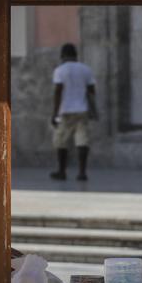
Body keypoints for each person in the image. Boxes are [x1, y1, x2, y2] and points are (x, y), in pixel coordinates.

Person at [50, 43, 97, 182]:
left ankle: (61, 171)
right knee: (82, 140)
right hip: (82, 110)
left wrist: (55, 113)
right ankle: (82, 172)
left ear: (62, 56)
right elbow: (92, 91)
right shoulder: (86, 69)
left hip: (66, 111)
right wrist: (93, 108)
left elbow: (58, 91)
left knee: (61, 141)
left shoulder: (60, 70)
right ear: (75, 55)